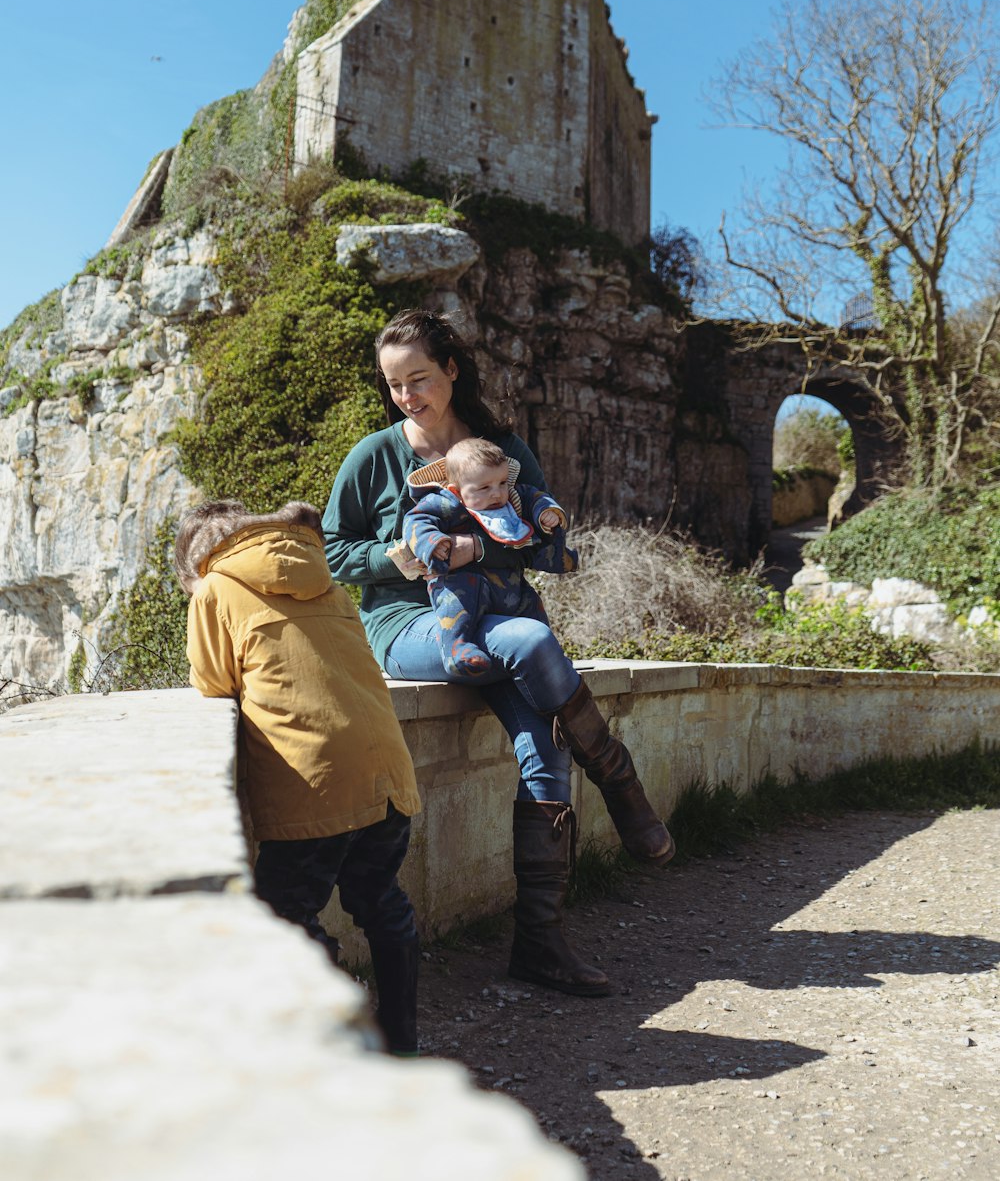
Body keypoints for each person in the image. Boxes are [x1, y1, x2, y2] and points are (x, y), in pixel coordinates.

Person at [322, 308, 674, 1001]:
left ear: (452, 370)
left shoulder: (503, 450)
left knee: (546, 749)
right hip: (409, 626)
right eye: (393, 385)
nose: (406, 396)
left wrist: (491, 544)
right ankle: (619, 776)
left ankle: (541, 943)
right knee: (536, 641)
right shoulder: (376, 456)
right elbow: (334, 552)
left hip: (501, 617)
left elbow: (546, 541)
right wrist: (401, 557)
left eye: (418, 379)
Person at [175, 497, 422, 1056]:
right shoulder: (326, 578)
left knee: (284, 915)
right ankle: (402, 1043)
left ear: (194, 561)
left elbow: (213, 683)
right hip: (386, 770)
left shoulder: (215, 588)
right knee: (380, 900)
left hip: (315, 779)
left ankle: (336, 1041)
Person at [400, 435, 577, 676]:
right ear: (457, 491)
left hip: (509, 585)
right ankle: (457, 649)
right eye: (484, 488)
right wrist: (432, 542)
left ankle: (551, 657)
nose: (497, 494)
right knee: (456, 607)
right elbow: (416, 520)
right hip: (462, 583)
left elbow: (533, 496)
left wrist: (546, 512)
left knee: (532, 607)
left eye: (502, 482)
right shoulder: (446, 503)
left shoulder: (512, 501)